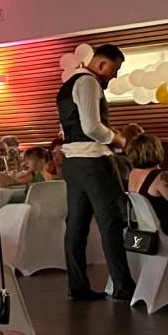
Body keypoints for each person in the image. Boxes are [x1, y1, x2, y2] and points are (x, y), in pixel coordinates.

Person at [57, 43, 136, 302]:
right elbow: (92, 127)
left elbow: (66, 128)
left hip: (72, 161)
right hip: (93, 160)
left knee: (76, 226)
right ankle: (124, 287)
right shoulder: (88, 83)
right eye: (115, 69)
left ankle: (77, 286)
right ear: (102, 64)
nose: (114, 76)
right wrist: (118, 139)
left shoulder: (67, 86)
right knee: (110, 221)